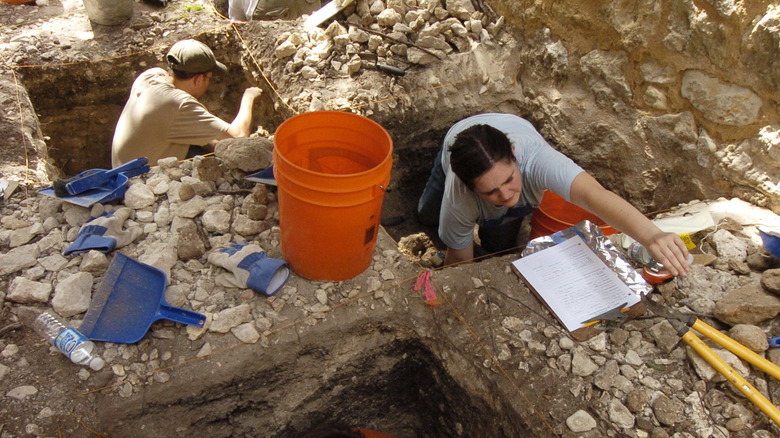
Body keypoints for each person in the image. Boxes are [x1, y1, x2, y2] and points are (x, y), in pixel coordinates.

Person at [417, 113, 691, 276]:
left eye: (510, 180)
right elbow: (460, 263)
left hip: (506, 129)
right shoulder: (460, 197)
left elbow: (596, 197)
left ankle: (491, 246)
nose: (506, 194)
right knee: (427, 213)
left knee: (499, 241)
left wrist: (651, 235)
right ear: (470, 187)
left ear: (514, 155)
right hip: (454, 145)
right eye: (490, 191)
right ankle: (431, 217)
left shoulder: (539, 162)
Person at [111, 39, 263, 167]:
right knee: (220, 166)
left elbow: (182, 126)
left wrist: (217, 146)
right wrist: (249, 97)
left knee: (213, 147)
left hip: (122, 166)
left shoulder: (150, 76)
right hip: (140, 180)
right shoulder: (178, 105)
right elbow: (238, 136)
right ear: (198, 79)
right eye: (209, 78)